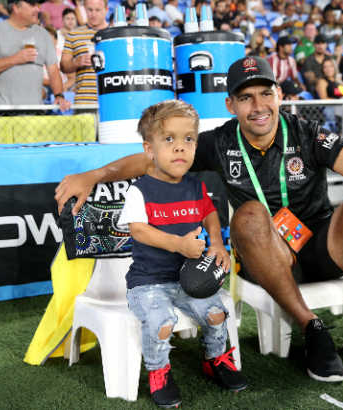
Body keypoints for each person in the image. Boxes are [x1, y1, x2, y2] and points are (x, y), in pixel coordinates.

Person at [55, 56, 343, 382]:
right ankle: (312, 328)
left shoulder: (307, 133)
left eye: (265, 94)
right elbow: (152, 162)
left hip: (325, 247)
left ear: (279, 95)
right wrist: (96, 176)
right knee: (249, 212)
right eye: (245, 98)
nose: (258, 107)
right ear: (231, 105)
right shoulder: (221, 142)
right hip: (267, 256)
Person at [117, 100, 248, 408]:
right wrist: (177, 244)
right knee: (162, 322)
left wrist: (217, 242)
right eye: (169, 139)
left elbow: (210, 214)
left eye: (188, 139)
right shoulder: (140, 191)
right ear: (149, 151)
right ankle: (158, 370)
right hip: (148, 282)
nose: (180, 148)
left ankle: (215, 359)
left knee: (217, 314)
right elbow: (138, 230)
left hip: (189, 279)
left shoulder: (196, 187)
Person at [0, 0, 71, 110]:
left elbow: (53, 70)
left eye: (37, 5)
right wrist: (15, 59)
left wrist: (59, 96)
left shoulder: (43, 34)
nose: (37, 9)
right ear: (16, 8)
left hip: (35, 113)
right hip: (3, 113)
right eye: (32, 5)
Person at [58, 0, 108, 105]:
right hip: (84, 101)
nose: (93, 14)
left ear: (106, 10)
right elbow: (63, 66)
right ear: (84, 9)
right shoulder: (74, 34)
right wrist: (78, 63)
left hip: (111, 100)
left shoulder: (117, 35)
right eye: (90, 10)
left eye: (98, 10)